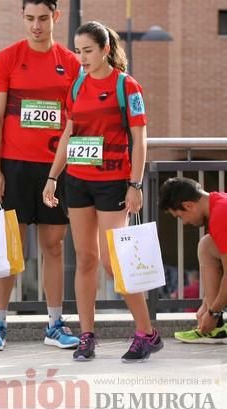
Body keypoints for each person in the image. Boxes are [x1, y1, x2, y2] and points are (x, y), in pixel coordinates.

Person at [42, 21, 164, 362]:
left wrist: (135, 183)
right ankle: (87, 336)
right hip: (78, 182)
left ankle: (147, 332)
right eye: (78, 52)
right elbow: (68, 133)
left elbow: (140, 140)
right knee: (85, 259)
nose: (81, 58)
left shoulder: (127, 86)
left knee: (116, 263)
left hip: (114, 183)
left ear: (105, 49)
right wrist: (53, 177)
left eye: (88, 51)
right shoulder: (77, 85)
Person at [0, 0, 81, 352]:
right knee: (10, 249)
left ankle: (55, 324)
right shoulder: (6, 59)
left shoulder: (71, 63)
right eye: (29, 19)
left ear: (56, 17)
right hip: (14, 166)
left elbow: (77, 122)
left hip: (56, 169)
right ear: (22, 18)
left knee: (53, 247)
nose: (36, 25)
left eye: (42, 18)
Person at [159, 177, 227, 342]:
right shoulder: (218, 203)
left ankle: (215, 322)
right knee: (207, 245)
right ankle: (216, 329)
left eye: (181, 217)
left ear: (189, 205)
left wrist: (214, 312)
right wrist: (207, 305)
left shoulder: (221, 215)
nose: (185, 223)